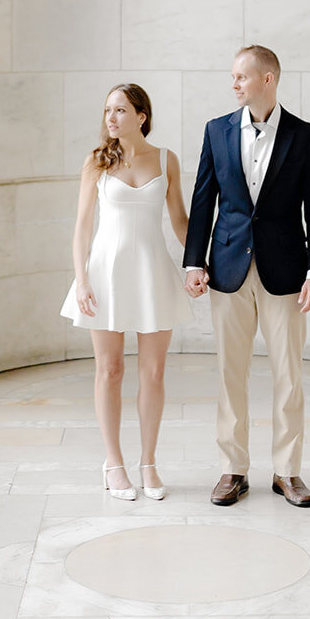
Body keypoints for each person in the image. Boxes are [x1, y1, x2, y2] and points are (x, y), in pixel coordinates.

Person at [183, 45, 310, 508]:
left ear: (268, 79)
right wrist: (193, 261)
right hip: (226, 269)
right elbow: (203, 198)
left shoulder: (303, 136)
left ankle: (288, 472)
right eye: (233, 77)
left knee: (289, 373)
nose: (234, 85)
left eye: (241, 77)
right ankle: (233, 470)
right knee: (231, 373)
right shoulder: (216, 131)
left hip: (286, 271)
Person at [61, 82, 192, 500]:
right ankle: (113, 463)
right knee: (110, 370)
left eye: (120, 110)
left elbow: (180, 221)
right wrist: (81, 279)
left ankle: (148, 462)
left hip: (152, 271)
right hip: (106, 273)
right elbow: (82, 226)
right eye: (107, 111)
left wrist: (198, 264)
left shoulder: (167, 160)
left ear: (141, 116)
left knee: (153, 372)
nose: (111, 119)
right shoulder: (96, 162)